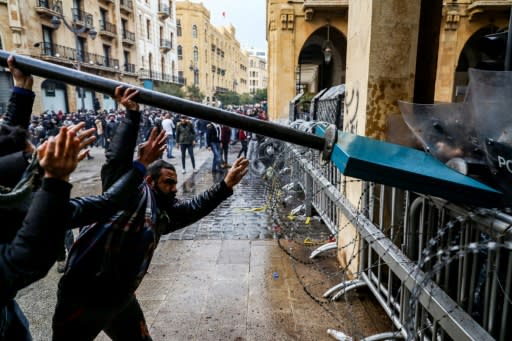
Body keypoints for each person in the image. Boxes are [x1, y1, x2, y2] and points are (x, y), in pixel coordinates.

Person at [52, 90, 249, 340]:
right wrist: (132, 116)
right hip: (82, 296)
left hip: (120, 299)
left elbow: (192, 209)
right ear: (149, 181)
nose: (174, 189)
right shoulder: (128, 193)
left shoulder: (163, 214)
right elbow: (116, 162)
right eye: (168, 182)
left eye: (175, 183)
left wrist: (225, 186)